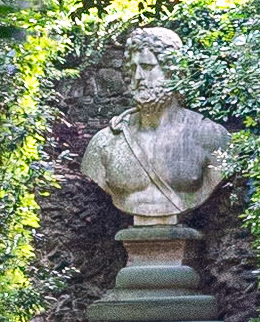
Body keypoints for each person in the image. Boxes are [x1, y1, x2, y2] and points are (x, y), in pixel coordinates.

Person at [80, 27, 231, 222]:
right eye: (133, 68)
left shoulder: (210, 136)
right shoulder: (105, 142)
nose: (138, 77)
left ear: (173, 73)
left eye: (148, 67)